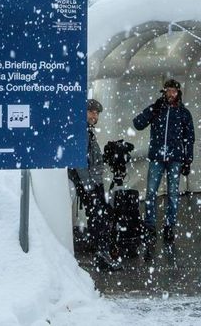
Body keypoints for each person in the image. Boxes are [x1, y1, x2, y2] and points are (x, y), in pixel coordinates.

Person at [133, 79, 195, 257]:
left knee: (173, 194)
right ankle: (150, 226)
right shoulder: (157, 109)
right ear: (164, 92)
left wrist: (187, 160)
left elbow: (189, 138)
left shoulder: (184, 113)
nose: (171, 94)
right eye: (168, 91)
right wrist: (153, 109)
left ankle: (169, 226)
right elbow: (137, 124)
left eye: (174, 91)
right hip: (157, 157)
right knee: (151, 193)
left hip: (175, 159)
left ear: (179, 93)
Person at [68, 98, 123, 271]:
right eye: (91, 111)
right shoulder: (82, 132)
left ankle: (101, 254)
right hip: (90, 184)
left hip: (92, 183)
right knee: (99, 219)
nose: (94, 115)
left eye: (96, 112)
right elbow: (79, 161)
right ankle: (102, 256)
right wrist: (89, 185)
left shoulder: (87, 131)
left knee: (99, 218)